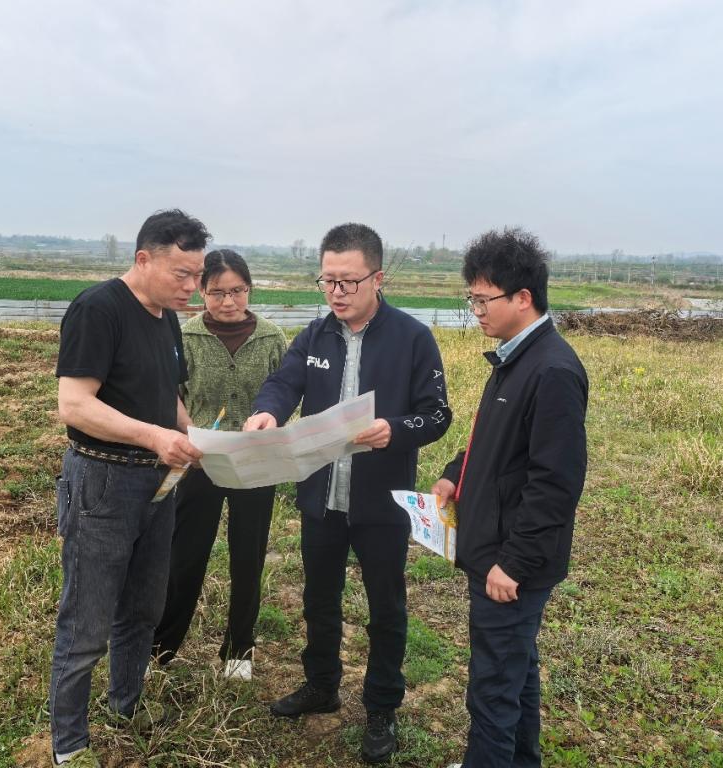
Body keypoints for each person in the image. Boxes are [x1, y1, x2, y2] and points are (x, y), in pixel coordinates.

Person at [245, 223, 451, 764]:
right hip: (321, 497)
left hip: (381, 502)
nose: (336, 293)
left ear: (377, 279)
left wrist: (394, 431)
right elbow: (284, 383)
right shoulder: (314, 337)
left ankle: (381, 706)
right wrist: (267, 411)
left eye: (348, 282)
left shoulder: (412, 338)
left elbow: (437, 415)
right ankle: (321, 685)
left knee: (386, 606)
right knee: (319, 599)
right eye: (327, 281)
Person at [49, 209, 211, 767]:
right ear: (143, 259)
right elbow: (75, 405)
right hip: (103, 481)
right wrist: (155, 437)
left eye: (197, 275)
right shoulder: (99, 309)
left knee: (143, 606)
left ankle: (126, 703)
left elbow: (168, 394)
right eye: (182, 274)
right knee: (86, 619)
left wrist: (197, 437)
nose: (192, 287)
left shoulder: (166, 318)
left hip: (158, 483)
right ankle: (70, 744)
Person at [431, 228, 588, 768]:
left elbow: (556, 482)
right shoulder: (515, 358)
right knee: (515, 672)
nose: (475, 311)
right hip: (494, 548)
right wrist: (455, 475)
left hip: (509, 562)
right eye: (471, 299)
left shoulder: (552, 370)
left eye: (483, 300)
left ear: (523, 298)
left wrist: (514, 563)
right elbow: (493, 442)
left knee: (493, 685)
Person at [152, 249, 288, 680]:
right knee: (185, 557)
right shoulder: (185, 336)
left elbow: (286, 392)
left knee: (248, 558)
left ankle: (239, 652)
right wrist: (189, 430)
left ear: (249, 290)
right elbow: (169, 392)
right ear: (202, 292)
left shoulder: (272, 338)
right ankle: (160, 649)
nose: (228, 302)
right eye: (217, 293)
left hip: (255, 464)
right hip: (200, 463)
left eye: (237, 291)